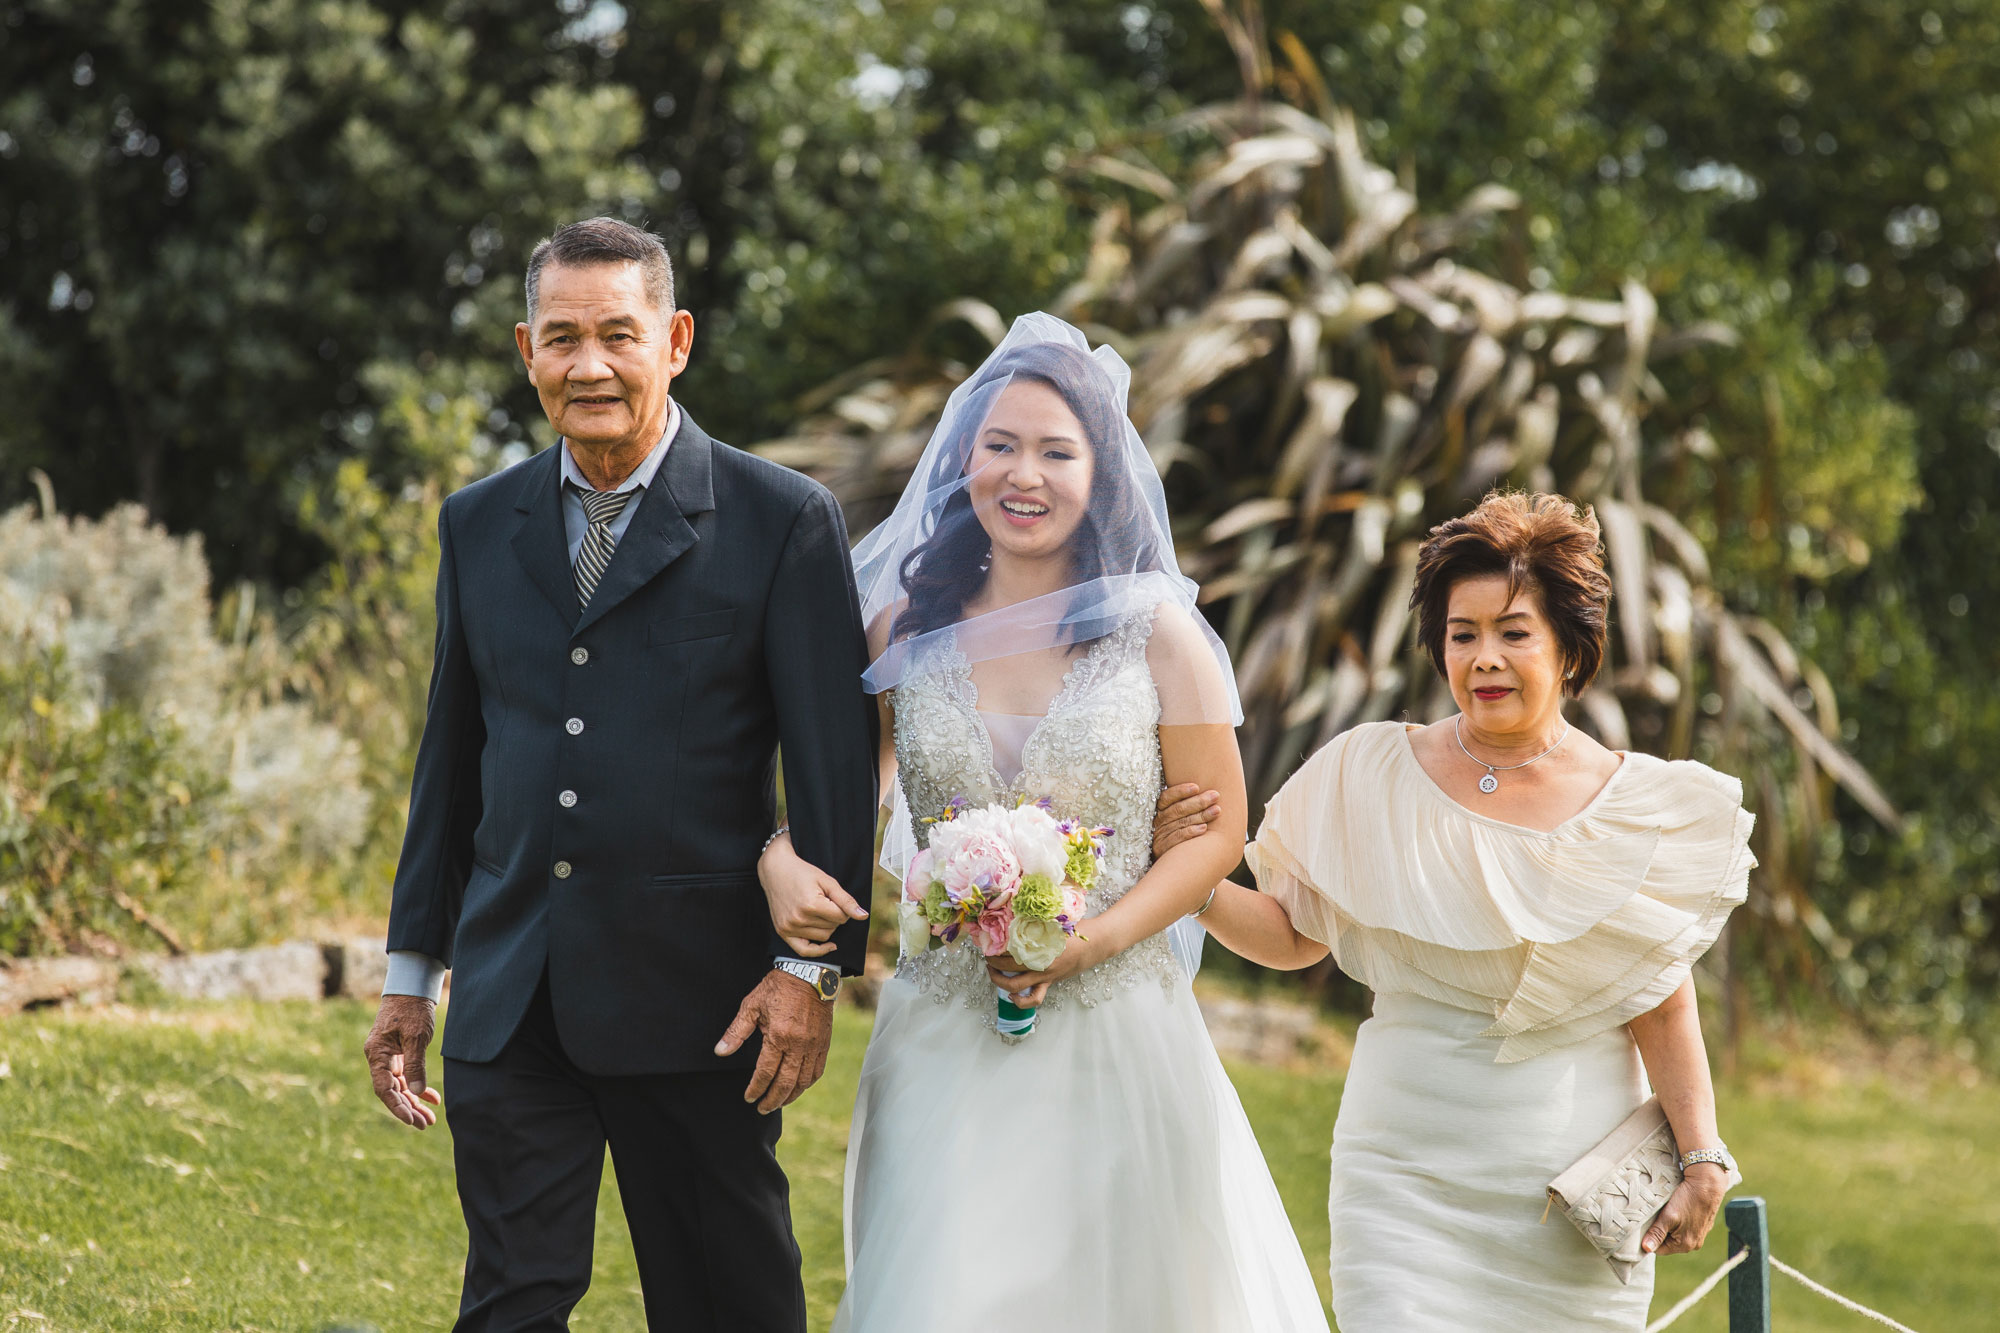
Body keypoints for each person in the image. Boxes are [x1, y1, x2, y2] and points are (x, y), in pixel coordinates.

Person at [756, 313, 1330, 1332]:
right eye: (1001, 445)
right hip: (943, 1025)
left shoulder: (1157, 633)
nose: (1025, 474)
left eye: (1056, 451)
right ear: (961, 459)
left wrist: (1086, 941)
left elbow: (1215, 832)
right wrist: (778, 853)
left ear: (1099, 474)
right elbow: (846, 794)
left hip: (1115, 1027)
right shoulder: (901, 626)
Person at [359, 217, 879, 1333]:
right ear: (526, 349)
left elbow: (833, 777)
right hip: (511, 997)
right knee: (510, 1304)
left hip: (705, 1006)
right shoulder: (475, 523)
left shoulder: (782, 521)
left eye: (616, 334)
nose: (587, 364)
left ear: (675, 339)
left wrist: (810, 970)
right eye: (560, 338)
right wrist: (414, 969)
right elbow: (451, 760)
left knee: (726, 1305)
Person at [1152, 490, 1754, 1330]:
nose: (1484, 659)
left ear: (1570, 649)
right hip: (1401, 1179)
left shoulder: (1633, 807)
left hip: (1567, 1199)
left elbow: (1661, 998)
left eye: (1513, 633)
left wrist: (1700, 1155)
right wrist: (1195, 882)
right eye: (1462, 634)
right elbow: (1294, 935)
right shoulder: (1368, 771)